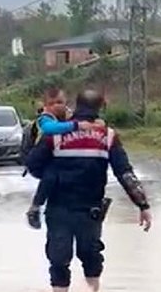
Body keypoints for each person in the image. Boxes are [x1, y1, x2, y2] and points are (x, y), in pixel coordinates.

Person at [24, 88, 152, 292]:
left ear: (75, 105)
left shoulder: (56, 133)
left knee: (58, 260)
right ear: (100, 107)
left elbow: (33, 165)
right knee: (91, 257)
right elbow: (125, 173)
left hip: (58, 208)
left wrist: (53, 173)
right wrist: (143, 205)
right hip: (90, 210)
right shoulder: (108, 136)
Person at [23, 89, 104, 229]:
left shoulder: (68, 115)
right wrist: (77, 126)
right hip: (38, 160)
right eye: (52, 103)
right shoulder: (44, 118)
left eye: (60, 102)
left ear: (66, 102)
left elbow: (86, 122)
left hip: (55, 156)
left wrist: (96, 123)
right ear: (45, 105)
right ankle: (35, 207)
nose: (57, 106)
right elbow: (50, 129)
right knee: (52, 173)